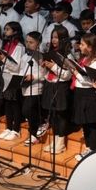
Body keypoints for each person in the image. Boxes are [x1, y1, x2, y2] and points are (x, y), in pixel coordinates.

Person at [70, 33, 96, 161]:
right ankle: (89, 147)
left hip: (90, 95)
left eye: (83, 44)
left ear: (90, 47)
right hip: (81, 93)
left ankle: (93, 149)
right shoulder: (85, 58)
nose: (80, 46)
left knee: (91, 123)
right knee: (85, 122)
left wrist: (75, 73)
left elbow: (92, 81)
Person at [41, 25, 73, 154]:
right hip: (50, 84)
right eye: (53, 37)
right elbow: (46, 72)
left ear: (63, 39)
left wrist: (53, 66)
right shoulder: (51, 52)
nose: (54, 40)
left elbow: (67, 75)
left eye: (57, 38)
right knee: (53, 115)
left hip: (61, 87)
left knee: (61, 115)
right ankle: (54, 140)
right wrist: (44, 66)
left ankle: (61, 143)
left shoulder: (68, 55)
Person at [0, 22, 25, 140]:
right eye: (5, 29)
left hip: (14, 77)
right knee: (7, 103)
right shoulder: (6, 45)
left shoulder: (19, 47)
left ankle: (16, 130)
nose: (5, 31)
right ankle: (8, 127)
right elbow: (5, 63)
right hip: (4, 76)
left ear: (15, 32)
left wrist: (3, 59)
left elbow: (16, 66)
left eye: (8, 29)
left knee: (14, 105)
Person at [20, 31, 46, 145]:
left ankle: (36, 131)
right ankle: (33, 133)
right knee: (28, 111)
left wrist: (33, 76)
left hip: (36, 87)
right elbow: (21, 69)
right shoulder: (25, 56)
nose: (28, 44)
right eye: (27, 41)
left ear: (38, 43)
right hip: (25, 87)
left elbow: (44, 74)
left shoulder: (41, 56)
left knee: (27, 110)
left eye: (31, 42)